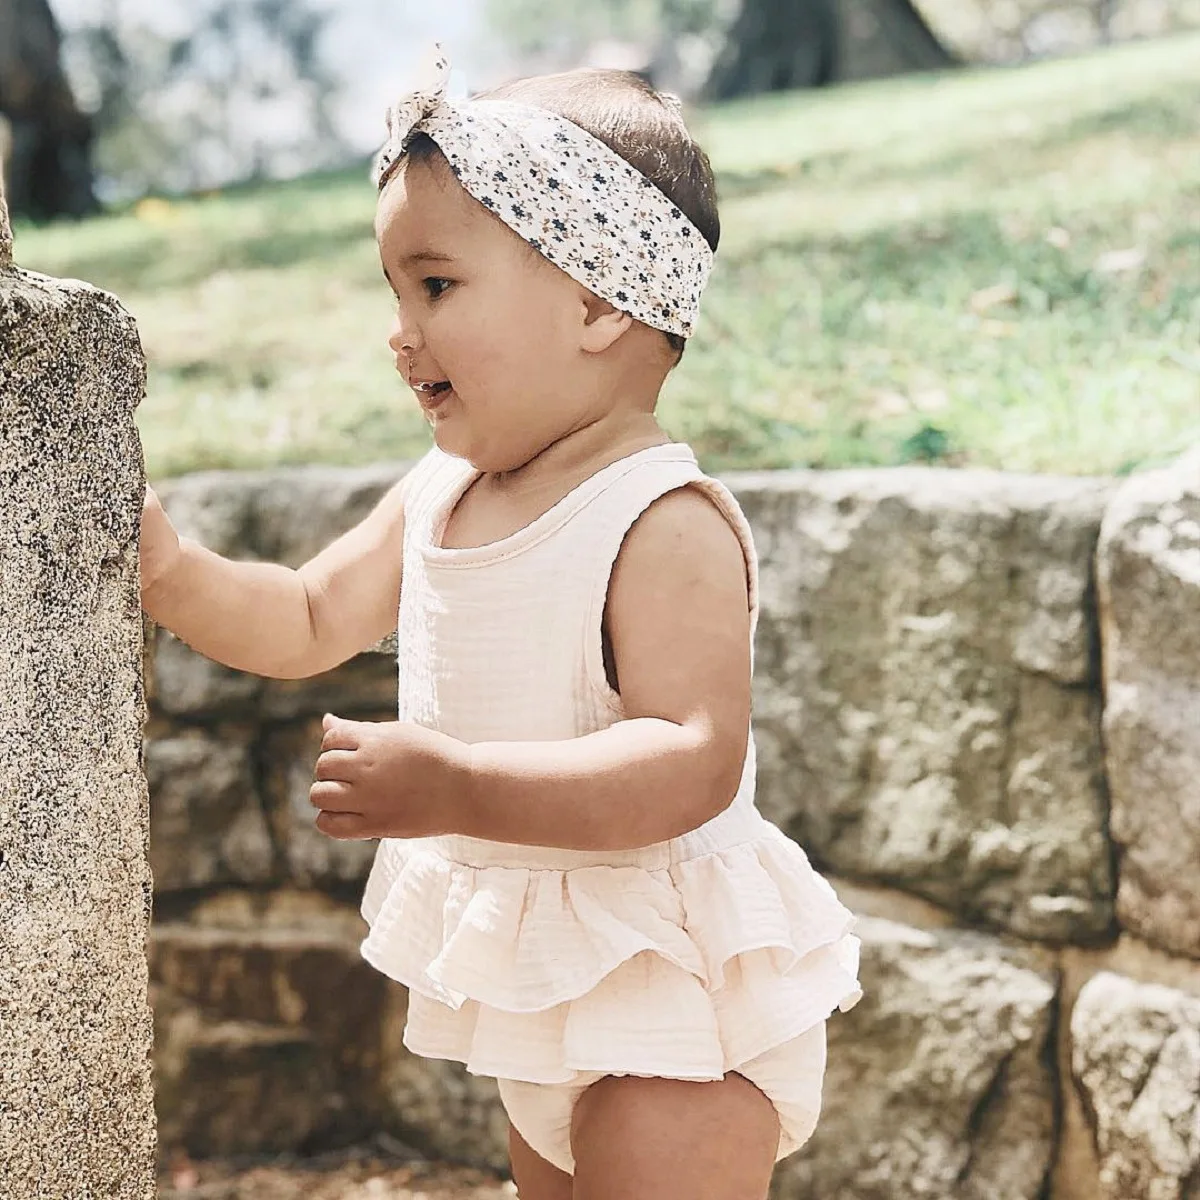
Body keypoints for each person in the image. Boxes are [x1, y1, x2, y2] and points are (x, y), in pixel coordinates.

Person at [139, 44, 863, 1200]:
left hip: (674, 993)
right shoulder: (441, 493)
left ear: (595, 301)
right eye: (394, 291)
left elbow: (694, 757)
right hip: (549, 981)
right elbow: (308, 615)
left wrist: (462, 785)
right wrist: (172, 574)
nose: (400, 330)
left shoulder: (658, 519)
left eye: (436, 286)